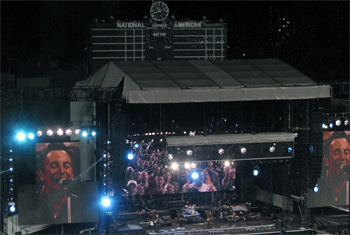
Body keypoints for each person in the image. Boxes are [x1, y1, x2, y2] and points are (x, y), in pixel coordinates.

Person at [36, 142, 79, 224]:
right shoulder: (31, 203)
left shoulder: (80, 204)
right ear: (41, 174)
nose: (62, 171)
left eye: (66, 166)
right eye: (54, 166)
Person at [319, 132, 350, 205]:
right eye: (336, 153)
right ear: (326, 160)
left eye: (346, 153)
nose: (342, 157)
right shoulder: (320, 186)